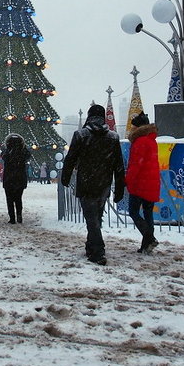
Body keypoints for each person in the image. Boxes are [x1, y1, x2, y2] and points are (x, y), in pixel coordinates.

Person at [61, 104, 125, 265]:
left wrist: (65, 177)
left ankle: (98, 251)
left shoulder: (81, 135)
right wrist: (119, 189)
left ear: (89, 117)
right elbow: (119, 166)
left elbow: (70, 159)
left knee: (91, 218)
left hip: (86, 182)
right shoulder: (113, 137)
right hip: (104, 184)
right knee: (96, 217)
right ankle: (91, 246)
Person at [125, 112, 161, 253]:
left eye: (133, 126)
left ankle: (150, 238)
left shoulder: (139, 142)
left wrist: (127, 180)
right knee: (148, 213)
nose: (131, 129)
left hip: (141, 184)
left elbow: (135, 165)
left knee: (133, 212)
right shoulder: (151, 140)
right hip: (151, 183)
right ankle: (146, 245)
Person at [0, 133, 30, 224]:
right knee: (18, 198)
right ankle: (19, 215)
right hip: (20, 178)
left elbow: (3, 157)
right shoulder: (23, 152)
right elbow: (27, 156)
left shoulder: (7, 152)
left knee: (9, 199)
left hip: (9, 179)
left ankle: (12, 218)